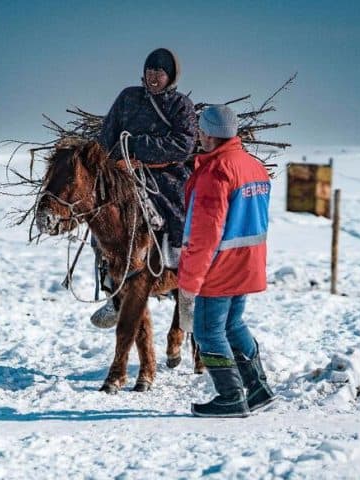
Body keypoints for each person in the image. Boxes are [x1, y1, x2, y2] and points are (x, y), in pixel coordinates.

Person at [177, 104, 276, 417]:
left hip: (220, 266)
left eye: (201, 131)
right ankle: (258, 388)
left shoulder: (216, 171)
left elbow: (205, 234)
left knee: (208, 332)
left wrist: (190, 280)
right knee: (233, 324)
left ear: (207, 134)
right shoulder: (253, 166)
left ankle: (231, 396)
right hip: (248, 261)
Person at [90, 47, 197, 328]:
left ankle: (185, 286)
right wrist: (118, 159)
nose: (153, 75)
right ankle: (112, 292)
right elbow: (107, 136)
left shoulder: (180, 106)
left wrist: (139, 148)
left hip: (168, 174)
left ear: (170, 76)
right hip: (124, 172)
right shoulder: (128, 98)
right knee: (101, 219)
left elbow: (183, 145)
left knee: (179, 216)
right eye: (150, 70)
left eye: (160, 71)